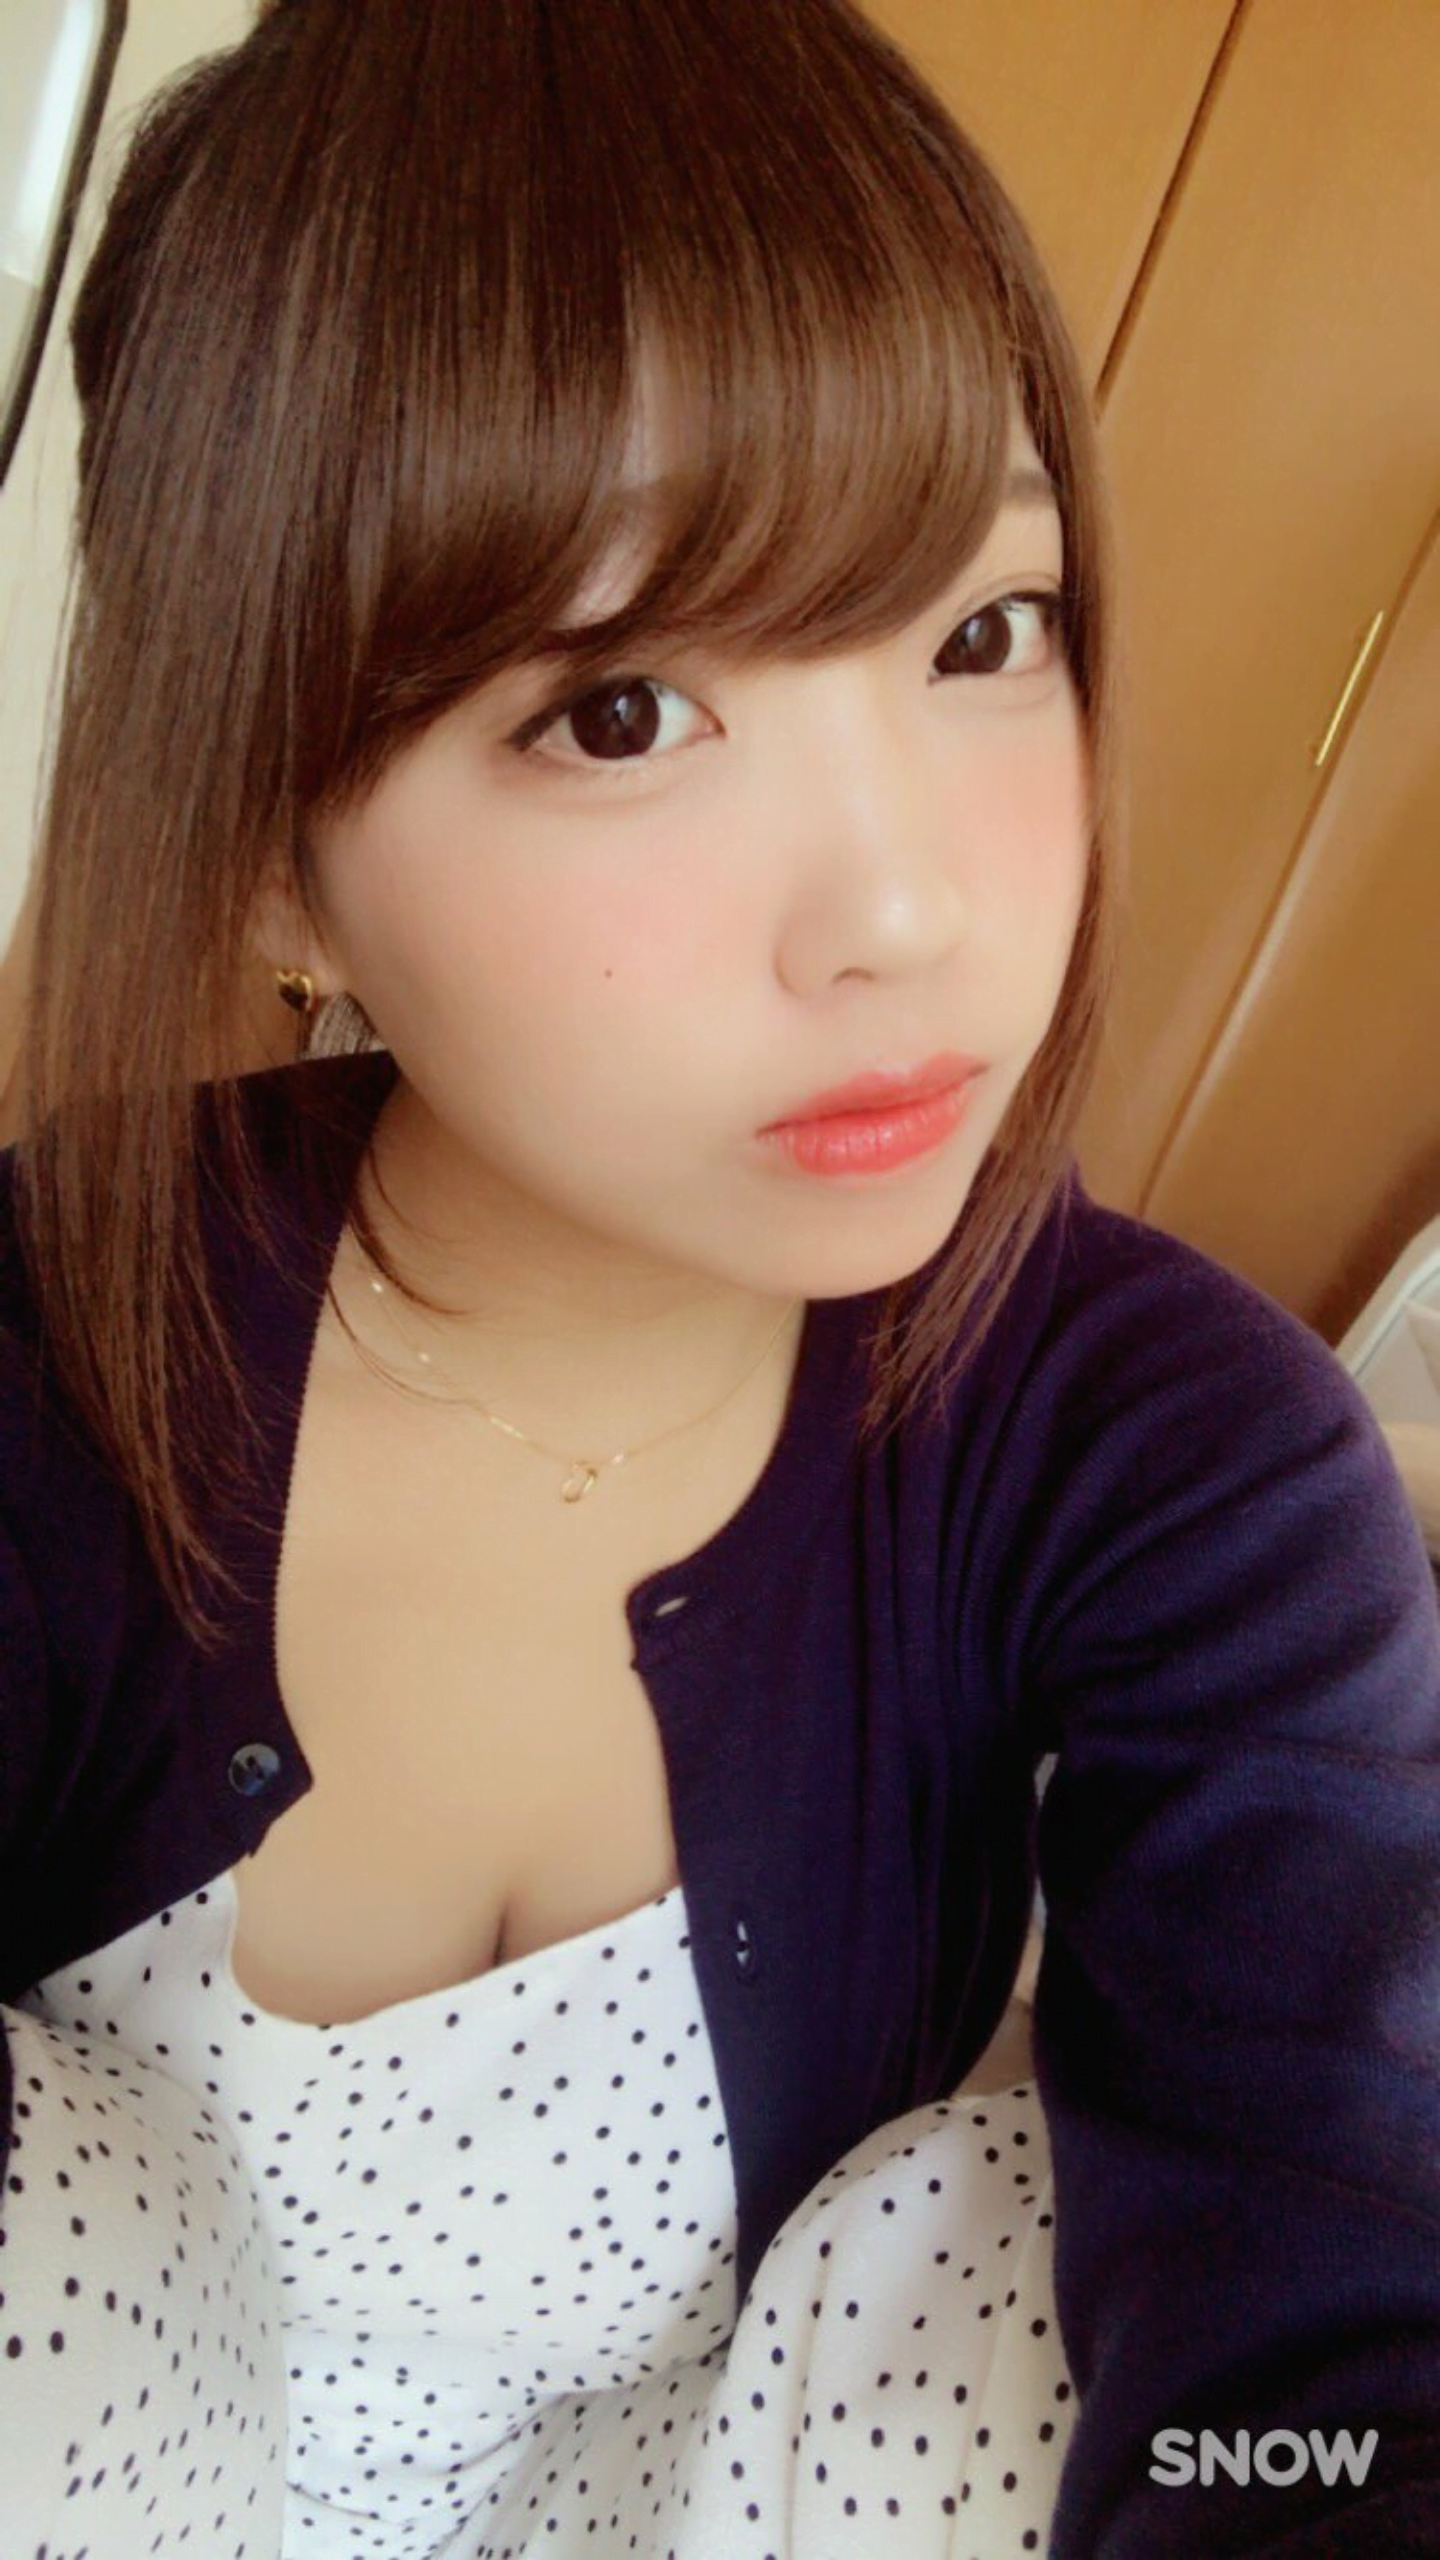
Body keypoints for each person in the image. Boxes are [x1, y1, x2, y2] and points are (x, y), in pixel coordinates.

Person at [1, 1, 1437, 2553]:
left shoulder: (1173, 1461)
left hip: (677, 2497)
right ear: (272, 854)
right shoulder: (45, 1329)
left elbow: (1327, 2271)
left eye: (982, 633)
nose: (905, 912)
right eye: (626, 708)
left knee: (1018, 2263)